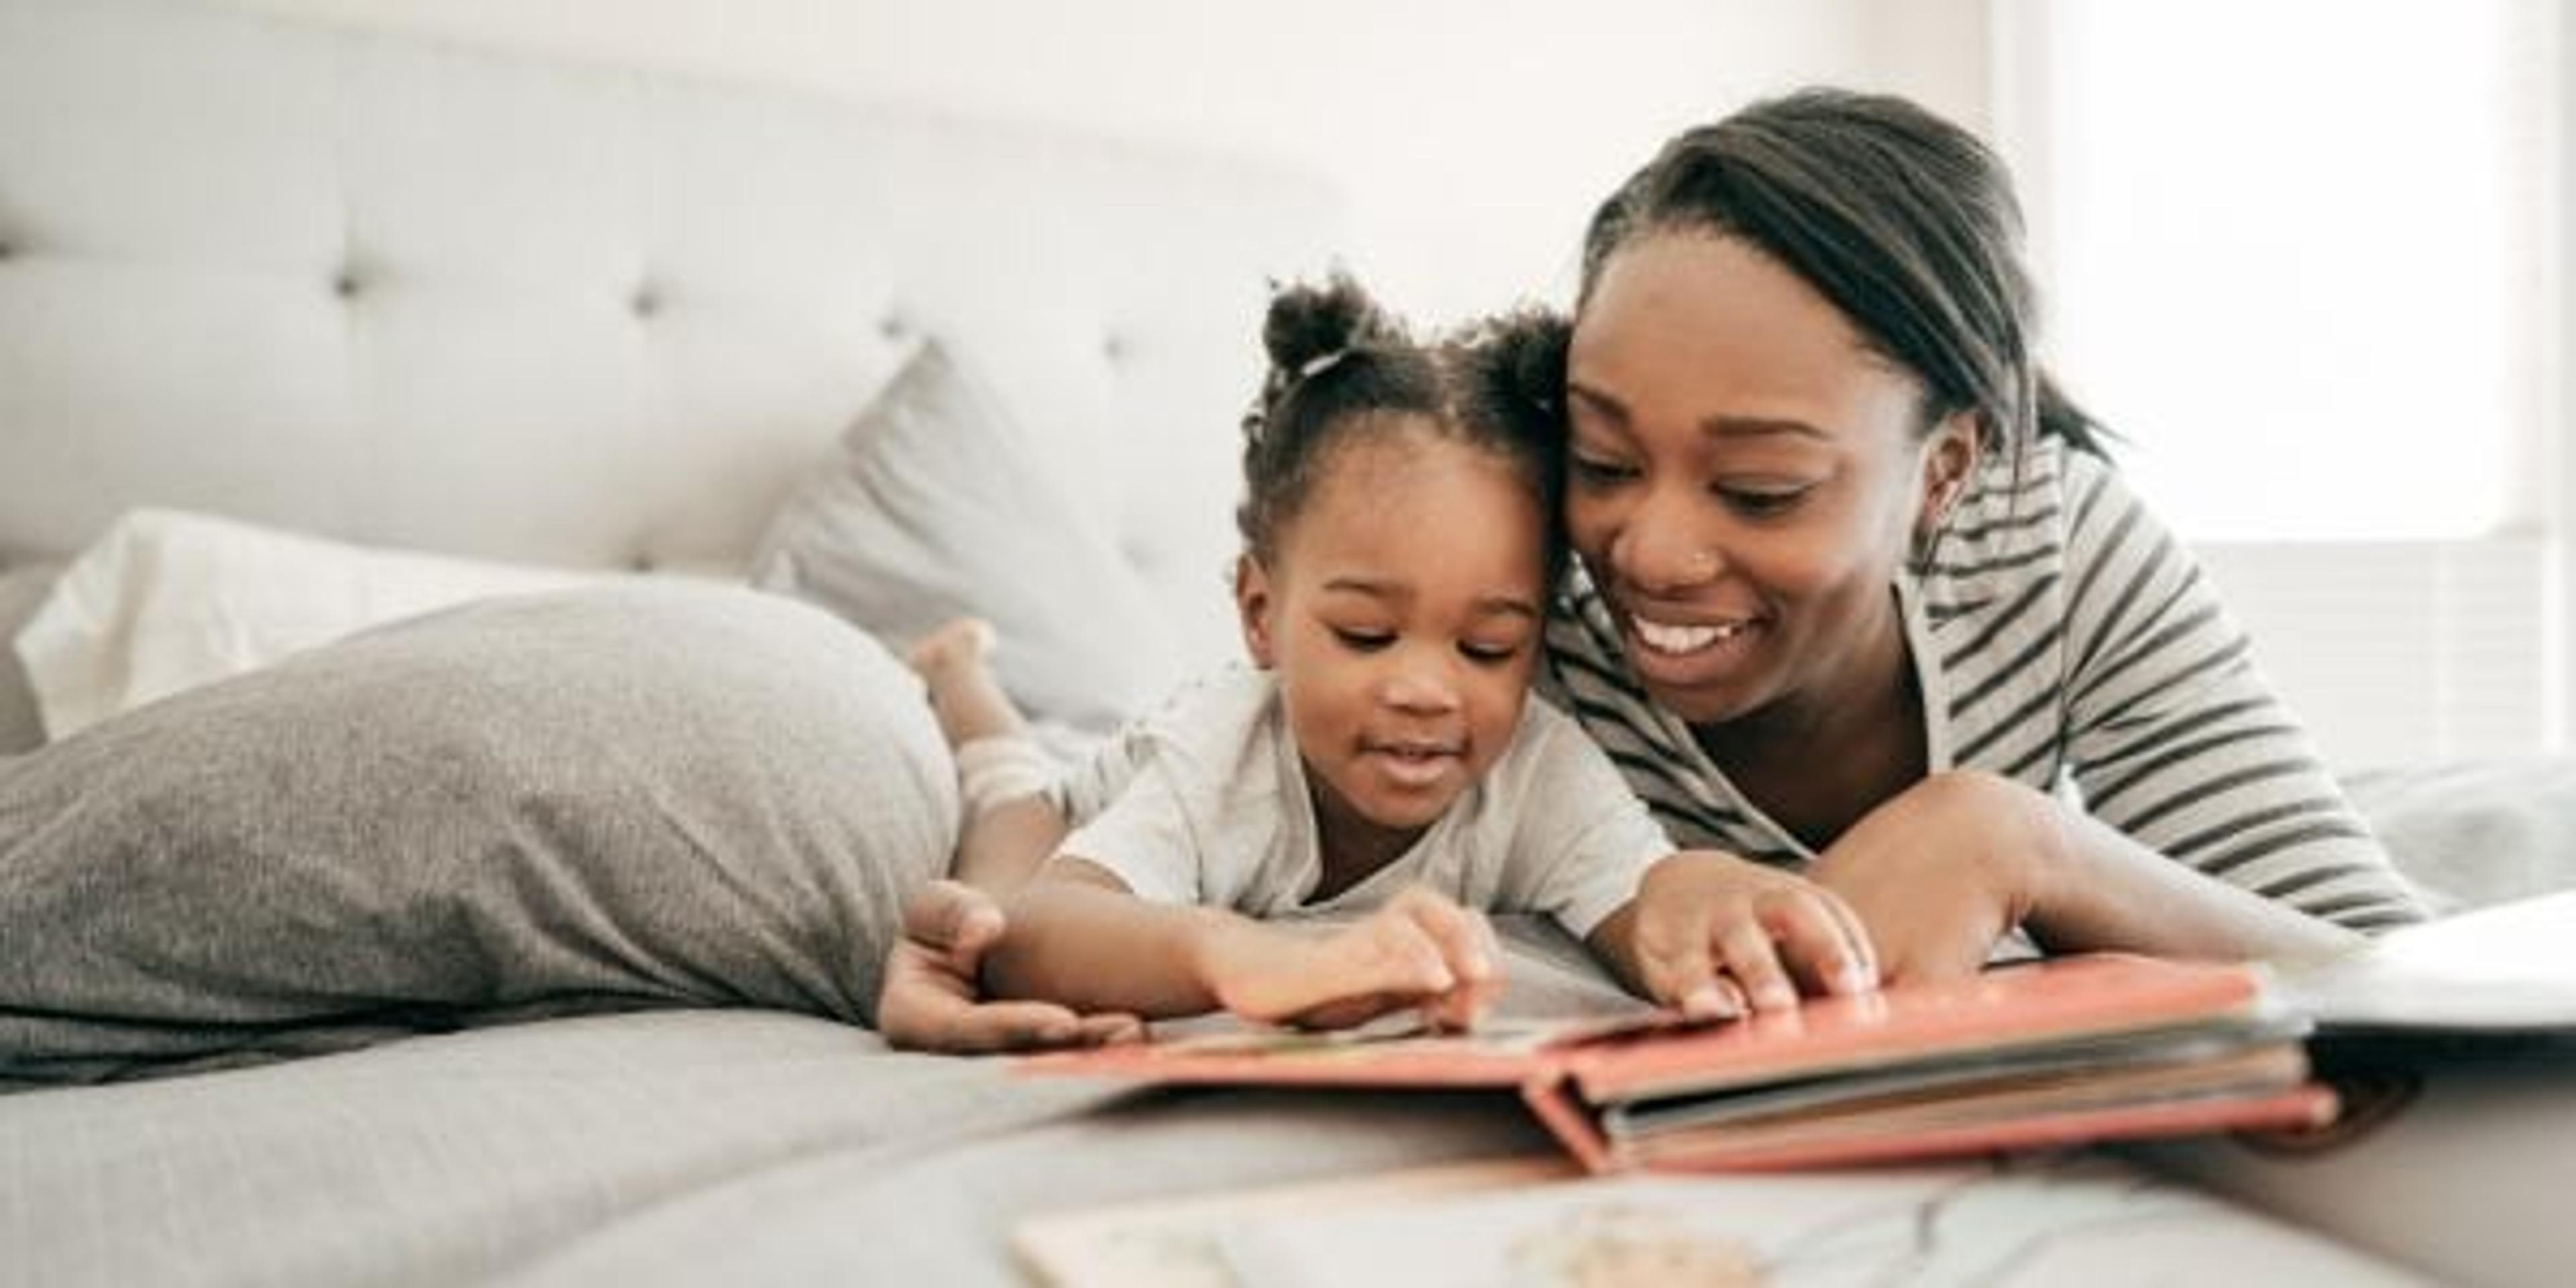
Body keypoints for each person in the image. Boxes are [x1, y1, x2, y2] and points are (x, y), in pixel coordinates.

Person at [878, 88, 2428, 1053]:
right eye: (1604, 460)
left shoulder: (2059, 547)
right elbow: (1211, 802)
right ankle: (965, 679)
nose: (1649, 553)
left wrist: (2026, 843)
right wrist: (990, 920)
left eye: (1760, 485)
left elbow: (2406, 975)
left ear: (1948, 468)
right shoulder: (1502, 610)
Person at [888, 276, 1880, 1045]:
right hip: (1083, 797)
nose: (1423, 690)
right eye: (1366, 635)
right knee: (1007, 814)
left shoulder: (1536, 769)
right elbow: (1047, 929)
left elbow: (1643, 890)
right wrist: (1242, 958)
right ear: (1262, 615)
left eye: (1489, 647)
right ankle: (962, 675)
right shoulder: (1219, 757)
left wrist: (1718, 899)